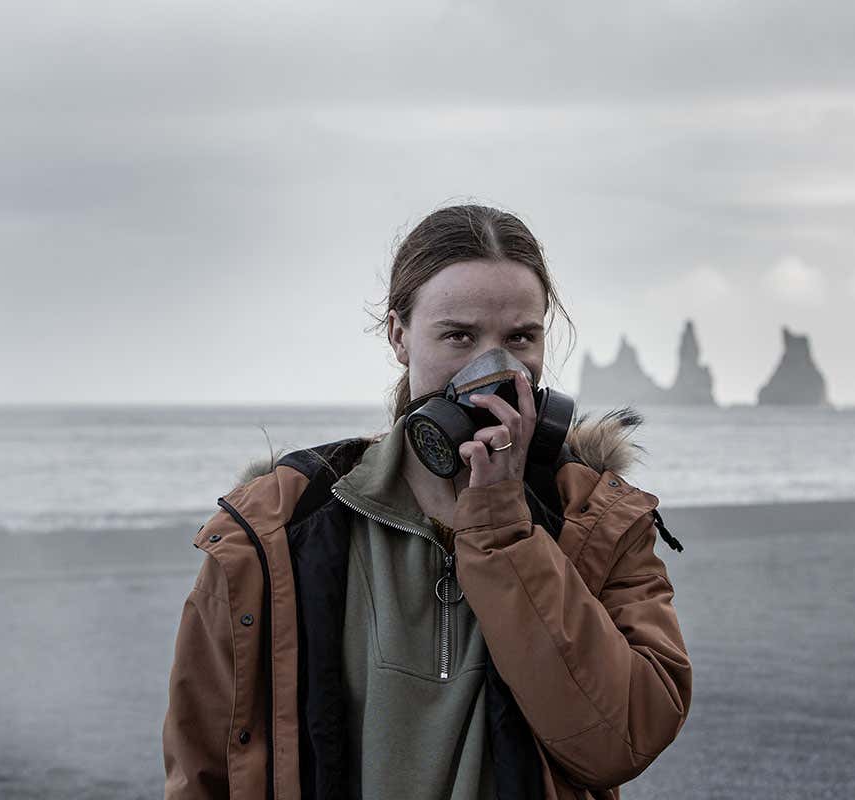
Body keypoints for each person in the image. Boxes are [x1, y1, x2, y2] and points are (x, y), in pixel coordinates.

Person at [161, 203, 692, 800]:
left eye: (521, 337)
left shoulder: (595, 519)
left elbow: (619, 741)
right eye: (459, 336)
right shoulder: (277, 527)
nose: (494, 367)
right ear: (399, 337)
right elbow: (203, 766)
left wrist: (504, 531)